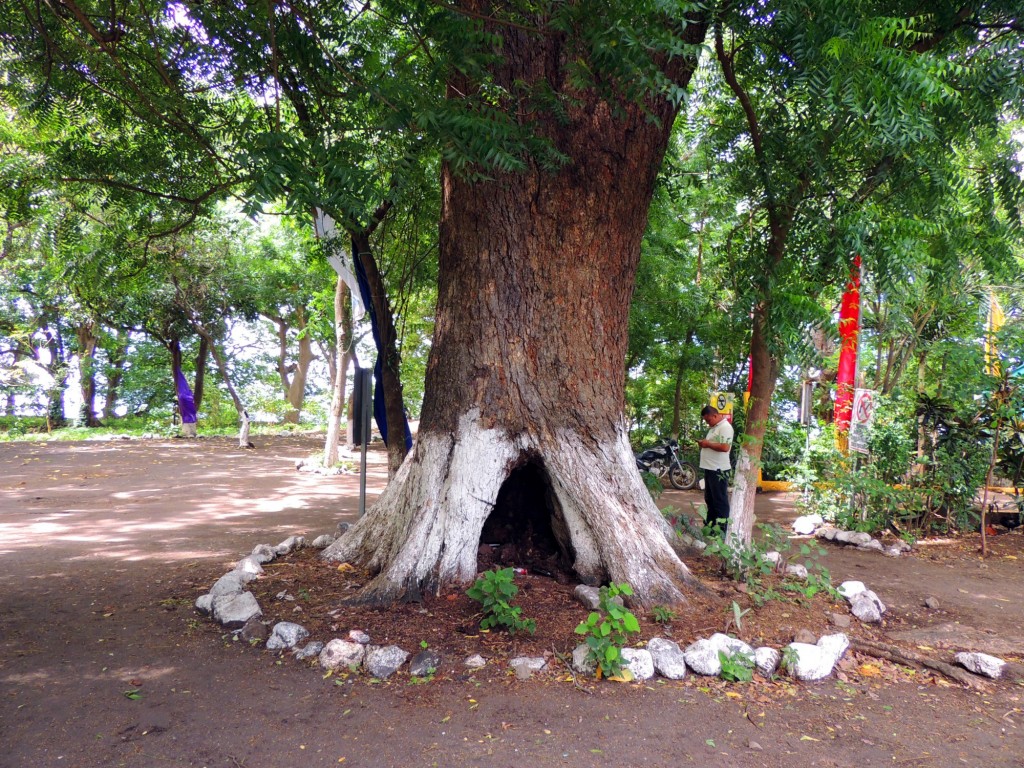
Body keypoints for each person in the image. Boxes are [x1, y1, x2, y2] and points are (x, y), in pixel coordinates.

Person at [697, 404, 733, 533]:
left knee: (719, 500)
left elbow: (725, 447)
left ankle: (722, 530)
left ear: (715, 415)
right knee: (710, 499)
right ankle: (711, 527)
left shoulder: (725, 427)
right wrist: (704, 444)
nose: (708, 423)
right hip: (710, 468)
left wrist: (707, 444)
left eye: (708, 420)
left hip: (719, 469)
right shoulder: (714, 428)